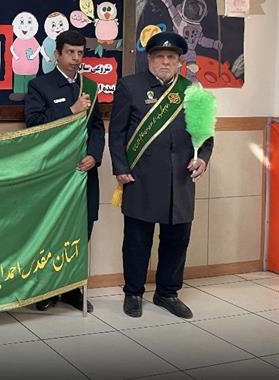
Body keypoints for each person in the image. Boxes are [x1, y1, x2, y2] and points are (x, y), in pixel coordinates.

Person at [110, 32, 213, 319]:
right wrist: (120, 167)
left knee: (177, 241)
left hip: (180, 181)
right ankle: (133, 293)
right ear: (150, 59)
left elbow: (205, 135)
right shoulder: (130, 86)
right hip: (141, 178)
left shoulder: (191, 91)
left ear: (179, 62)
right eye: (159, 57)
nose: (165, 62)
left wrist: (203, 159)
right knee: (137, 241)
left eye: (171, 57)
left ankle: (167, 293)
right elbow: (117, 133)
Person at [24, 30, 105, 313]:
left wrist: (94, 155)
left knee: (82, 229)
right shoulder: (40, 85)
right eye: (70, 52)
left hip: (83, 173)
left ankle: (72, 288)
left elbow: (97, 127)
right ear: (57, 54)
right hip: (53, 175)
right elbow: (34, 124)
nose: (76, 58)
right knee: (51, 230)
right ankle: (46, 289)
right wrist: (70, 110)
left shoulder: (89, 86)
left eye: (80, 53)